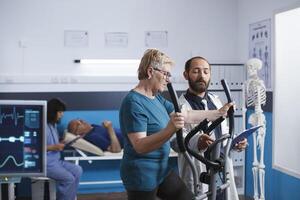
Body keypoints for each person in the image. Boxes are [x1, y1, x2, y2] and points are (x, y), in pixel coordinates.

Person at [119, 49, 233, 200]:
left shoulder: (156, 98)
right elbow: (140, 146)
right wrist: (170, 129)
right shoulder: (133, 103)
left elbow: (187, 114)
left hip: (161, 169)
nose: (168, 79)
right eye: (165, 74)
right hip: (141, 173)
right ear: (150, 71)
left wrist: (219, 113)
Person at [172, 56, 248, 200]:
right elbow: (175, 142)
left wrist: (235, 142)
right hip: (198, 171)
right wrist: (196, 141)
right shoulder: (180, 107)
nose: (202, 76)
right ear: (185, 74)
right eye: (196, 71)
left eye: (206, 71)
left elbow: (223, 133)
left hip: (221, 170)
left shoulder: (216, 100)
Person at [46, 98, 82, 200]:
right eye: (60, 112)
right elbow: (34, 148)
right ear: (53, 112)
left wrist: (63, 142)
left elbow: (54, 144)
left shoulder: (53, 126)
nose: (62, 115)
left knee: (78, 170)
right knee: (69, 179)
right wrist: (54, 147)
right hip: (46, 164)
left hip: (56, 161)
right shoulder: (43, 126)